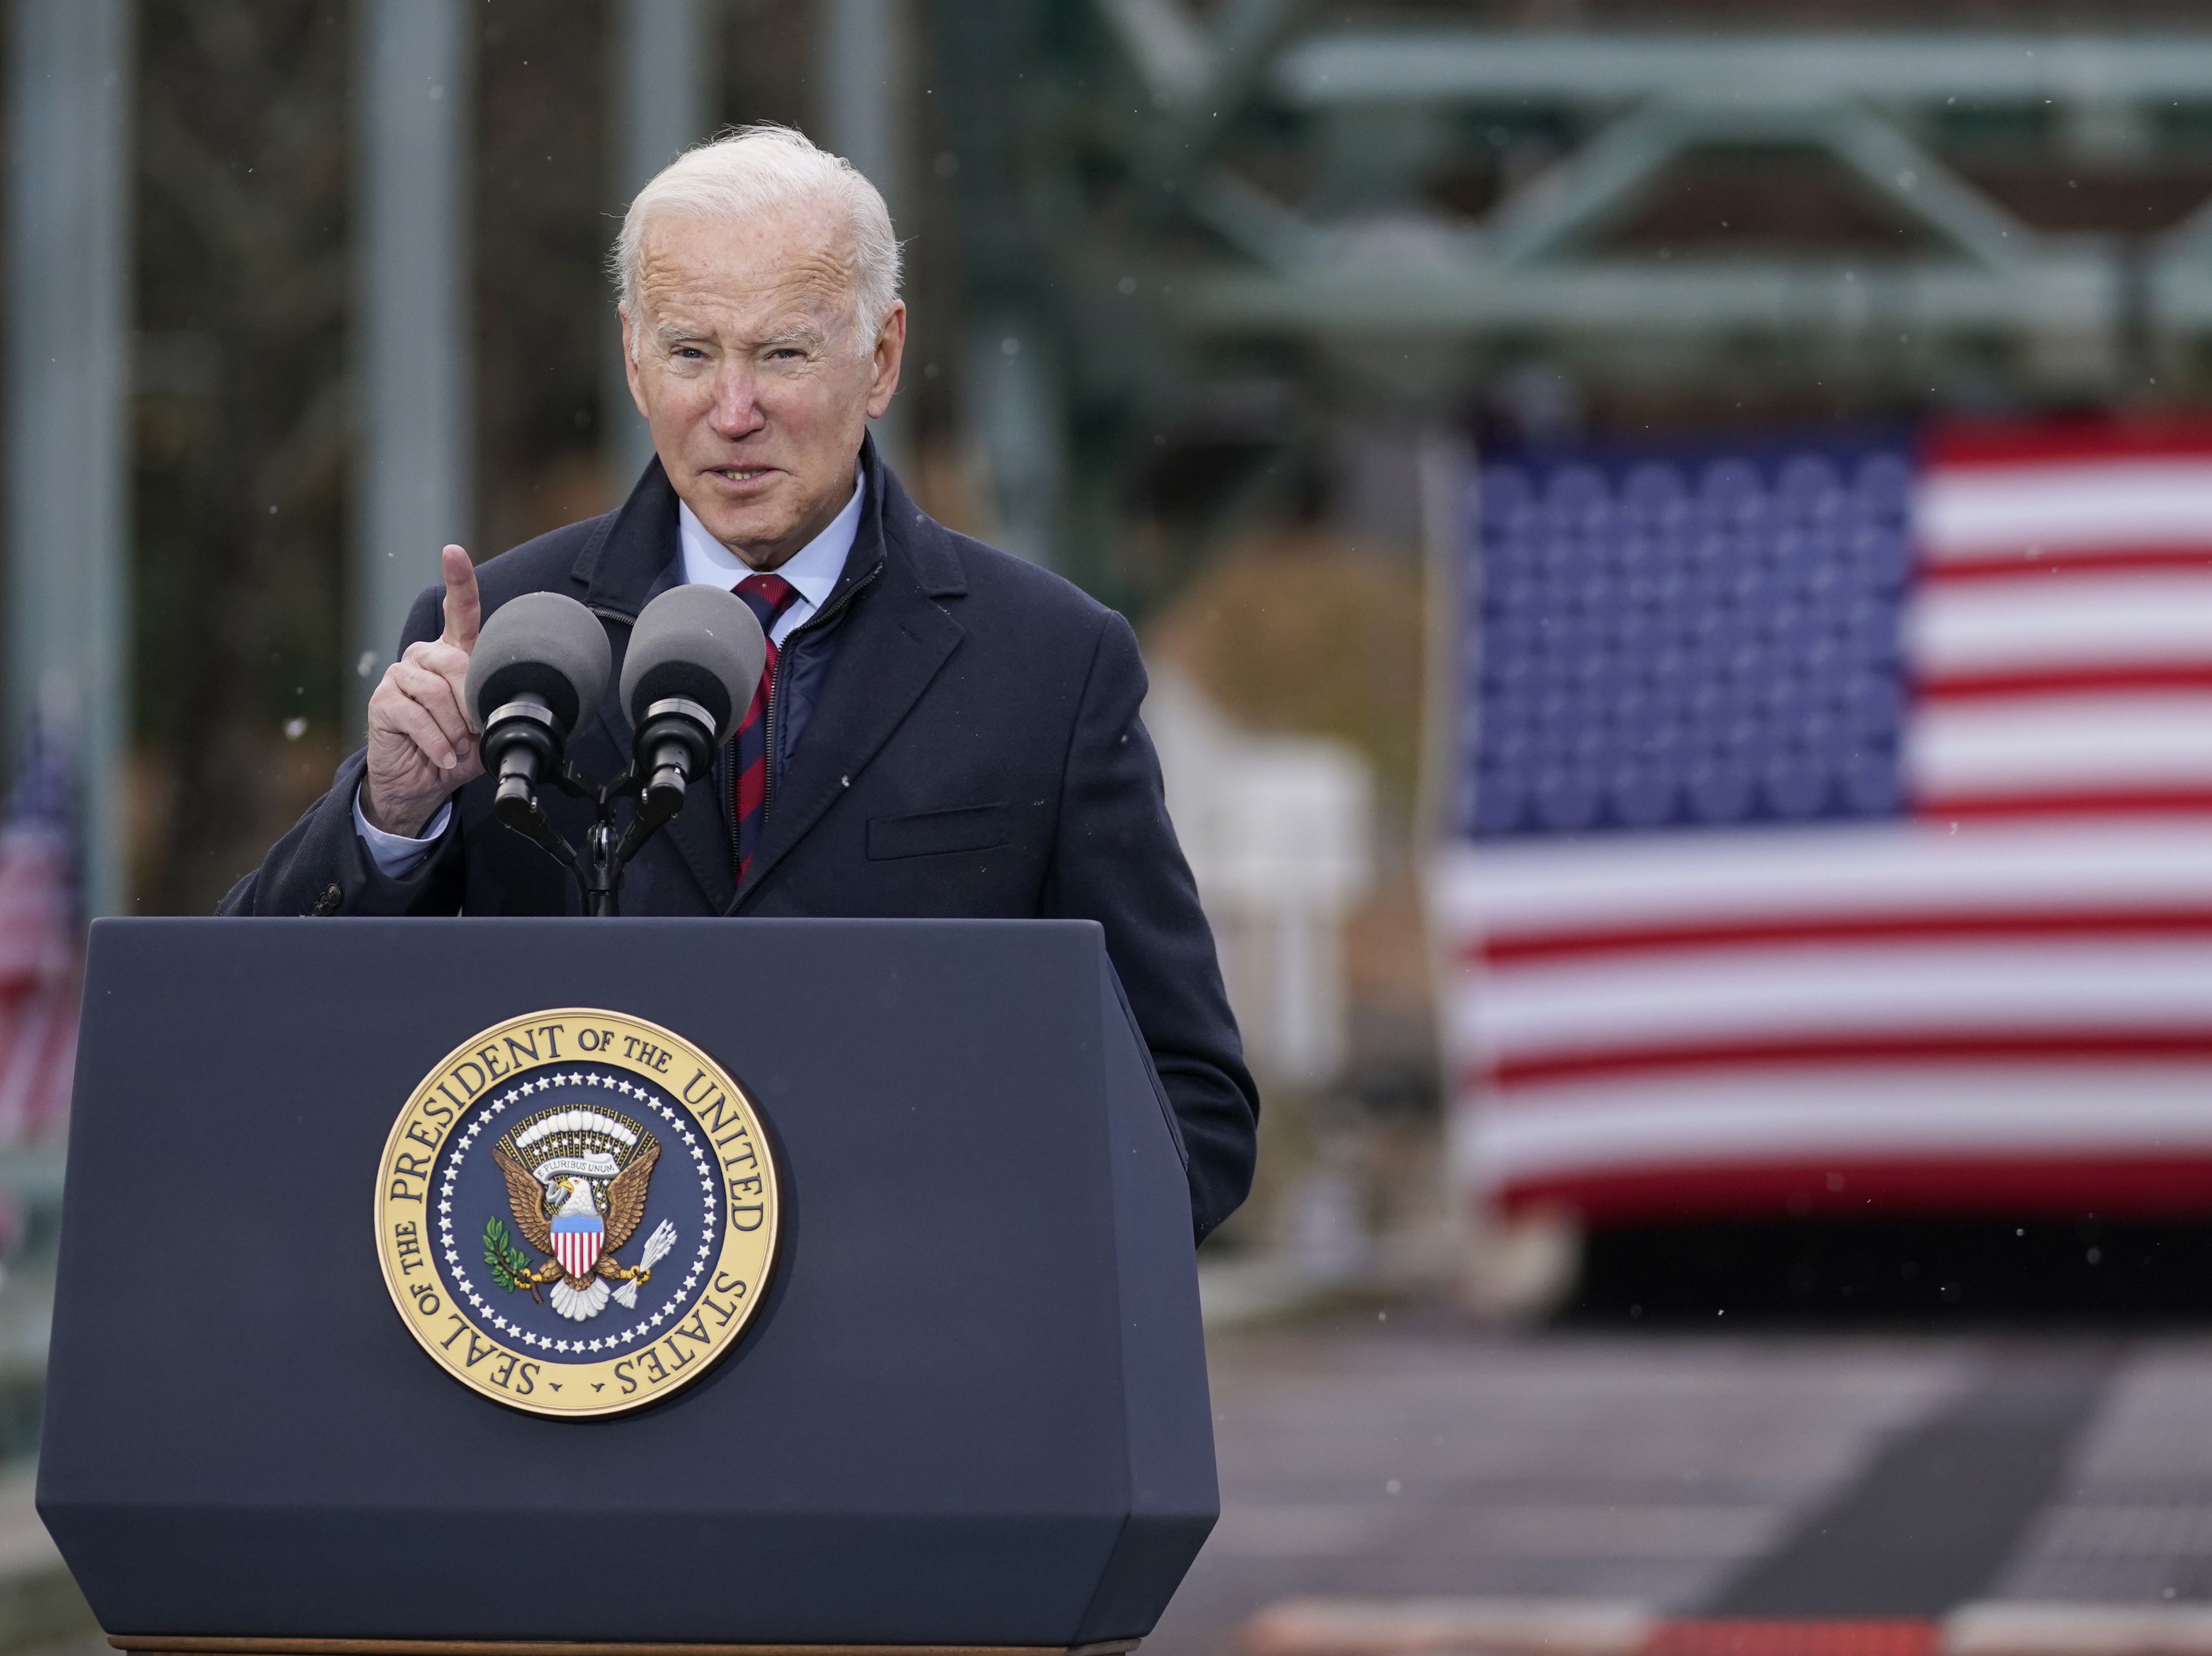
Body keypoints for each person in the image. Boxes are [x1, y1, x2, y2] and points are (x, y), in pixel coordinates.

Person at [221, 126, 1257, 1241]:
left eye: (782, 355)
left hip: (914, 1373)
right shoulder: (504, 639)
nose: (731, 411)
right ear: (630, 357)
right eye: (689, 354)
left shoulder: (1049, 664)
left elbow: (1189, 1104)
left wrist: (978, 1266)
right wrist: (391, 815)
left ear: (883, 356)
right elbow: (252, 1027)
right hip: (585, 1352)